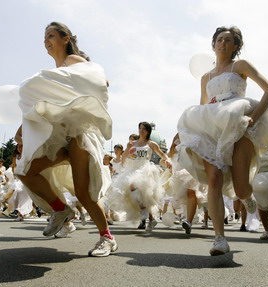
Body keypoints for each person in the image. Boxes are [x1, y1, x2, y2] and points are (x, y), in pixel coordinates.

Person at [14, 22, 116, 257]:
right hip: (58, 135)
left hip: (78, 133)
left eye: (51, 35)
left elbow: (102, 81)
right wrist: (24, 127)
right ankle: (61, 210)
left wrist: (72, 85)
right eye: (44, 37)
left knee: (83, 192)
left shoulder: (74, 62)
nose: (46, 41)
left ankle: (107, 238)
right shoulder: (57, 70)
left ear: (66, 39)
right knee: (24, 170)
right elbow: (42, 103)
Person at [177, 26, 268, 255]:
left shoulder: (240, 66)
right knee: (214, 179)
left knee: (241, 188)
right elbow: (203, 107)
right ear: (213, 45)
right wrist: (192, 132)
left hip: (238, 122)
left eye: (228, 40)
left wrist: (253, 117)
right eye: (219, 40)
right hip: (213, 126)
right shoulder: (206, 77)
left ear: (235, 46)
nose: (223, 43)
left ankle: (247, 197)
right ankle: (219, 239)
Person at [110, 122, 171, 232]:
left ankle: (150, 218)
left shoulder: (151, 144)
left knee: (146, 195)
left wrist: (168, 160)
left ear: (148, 131)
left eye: (144, 129)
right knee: (134, 192)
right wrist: (123, 162)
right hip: (132, 169)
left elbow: (161, 154)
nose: (141, 130)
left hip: (145, 169)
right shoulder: (131, 143)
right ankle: (148, 216)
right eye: (140, 128)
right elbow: (125, 155)